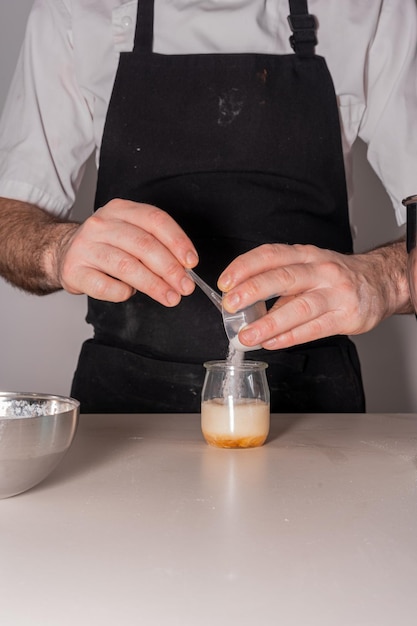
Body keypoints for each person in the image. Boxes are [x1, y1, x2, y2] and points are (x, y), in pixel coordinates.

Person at [0, 0, 415, 414]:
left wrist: (388, 279)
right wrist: (57, 249)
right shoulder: (72, 9)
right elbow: (8, 217)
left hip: (317, 410)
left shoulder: (374, 9)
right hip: (119, 412)